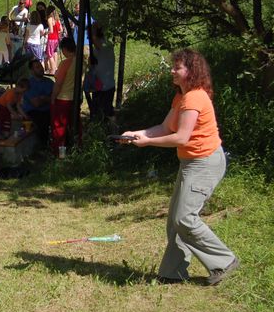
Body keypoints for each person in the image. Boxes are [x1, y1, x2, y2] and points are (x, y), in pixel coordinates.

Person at [122, 49, 239, 286]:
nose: (172, 71)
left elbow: (181, 137)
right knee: (176, 218)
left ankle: (224, 261)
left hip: (205, 163)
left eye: (177, 67)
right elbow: (165, 128)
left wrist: (147, 143)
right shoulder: (181, 97)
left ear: (191, 71)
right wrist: (136, 134)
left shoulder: (195, 98)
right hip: (191, 163)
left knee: (184, 218)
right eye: (173, 66)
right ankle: (173, 272)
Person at [50, 38, 78, 157]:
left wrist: (53, 97)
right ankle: (77, 149)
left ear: (65, 49)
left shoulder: (66, 63)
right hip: (75, 97)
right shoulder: (81, 61)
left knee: (59, 127)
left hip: (63, 98)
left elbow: (59, 83)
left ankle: (60, 154)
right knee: (74, 124)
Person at [23, 59, 53, 149]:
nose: (41, 68)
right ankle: (42, 147)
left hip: (48, 109)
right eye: (37, 67)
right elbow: (36, 103)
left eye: (41, 66)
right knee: (42, 121)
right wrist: (47, 98)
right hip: (33, 111)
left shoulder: (49, 82)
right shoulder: (28, 84)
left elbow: (55, 98)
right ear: (32, 71)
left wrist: (43, 98)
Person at [89, 24, 116, 120]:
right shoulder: (107, 44)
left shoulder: (101, 45)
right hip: (106, 84)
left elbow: (94, 38)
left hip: (103, 87)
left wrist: (93, 29)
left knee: (102, 114)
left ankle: (107, 126)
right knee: (106, 112)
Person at [45, 6, 62, 74]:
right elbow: (61, 30)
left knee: (49, 54)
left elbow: (51, 31)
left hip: (51, 38)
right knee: (54, 52)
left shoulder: (50, 19)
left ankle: (53, 69)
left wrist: (45, 33)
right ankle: (55, 67)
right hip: (56, 39)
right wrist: (57, 32)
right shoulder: (57, 19)